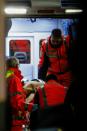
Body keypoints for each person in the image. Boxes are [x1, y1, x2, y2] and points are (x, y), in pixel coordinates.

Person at [5, 57, 38, 131]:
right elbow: (17, 103)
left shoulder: (6, 76)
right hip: (15, 122)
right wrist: (31, 107)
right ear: (17, 66)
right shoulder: (15, 79)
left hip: (7, 120)